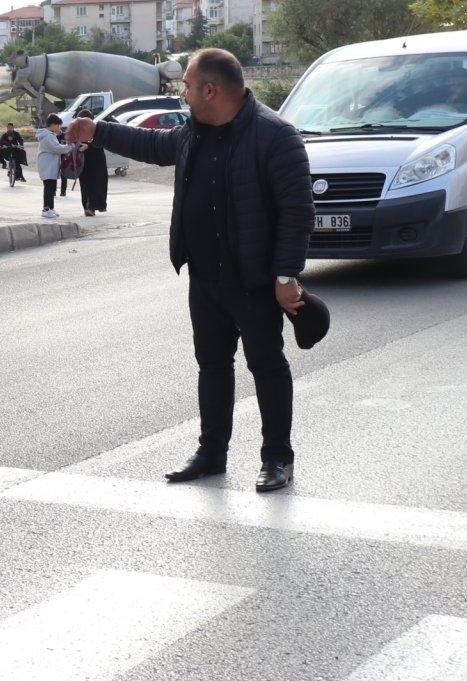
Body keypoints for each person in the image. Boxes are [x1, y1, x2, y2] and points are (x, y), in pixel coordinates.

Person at [67, 48, 312, 493]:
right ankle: (212, 453)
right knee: (212, 365)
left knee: (267, 367)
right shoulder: (194, 133)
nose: (182, 94)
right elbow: (152, 145)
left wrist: (285, 276)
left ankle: (277, 457)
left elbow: (297, 212)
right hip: (206, 278)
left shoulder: (276, 137)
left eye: (186, 86)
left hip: (254, 280)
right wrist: (97, 131)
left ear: (211, 89)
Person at [35, 114, 72, 219]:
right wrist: (71, 146)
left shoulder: (49, 135)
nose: (59, 128)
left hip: (49, 165)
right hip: (47, 165)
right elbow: (57, 148)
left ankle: (50, 208)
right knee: (49, 187)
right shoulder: (48, 136)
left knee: (52, 187)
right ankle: (46, 209)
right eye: (59, 126)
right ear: (53, 125)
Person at [75, 108, 110, 217]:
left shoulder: (97, 128)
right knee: (86, 184)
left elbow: (101, 142)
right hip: (84, 161)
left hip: (96, 160)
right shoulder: (77, 130)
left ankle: (91, 207)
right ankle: (88, 207)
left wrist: (88, 146)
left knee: (96, 184)